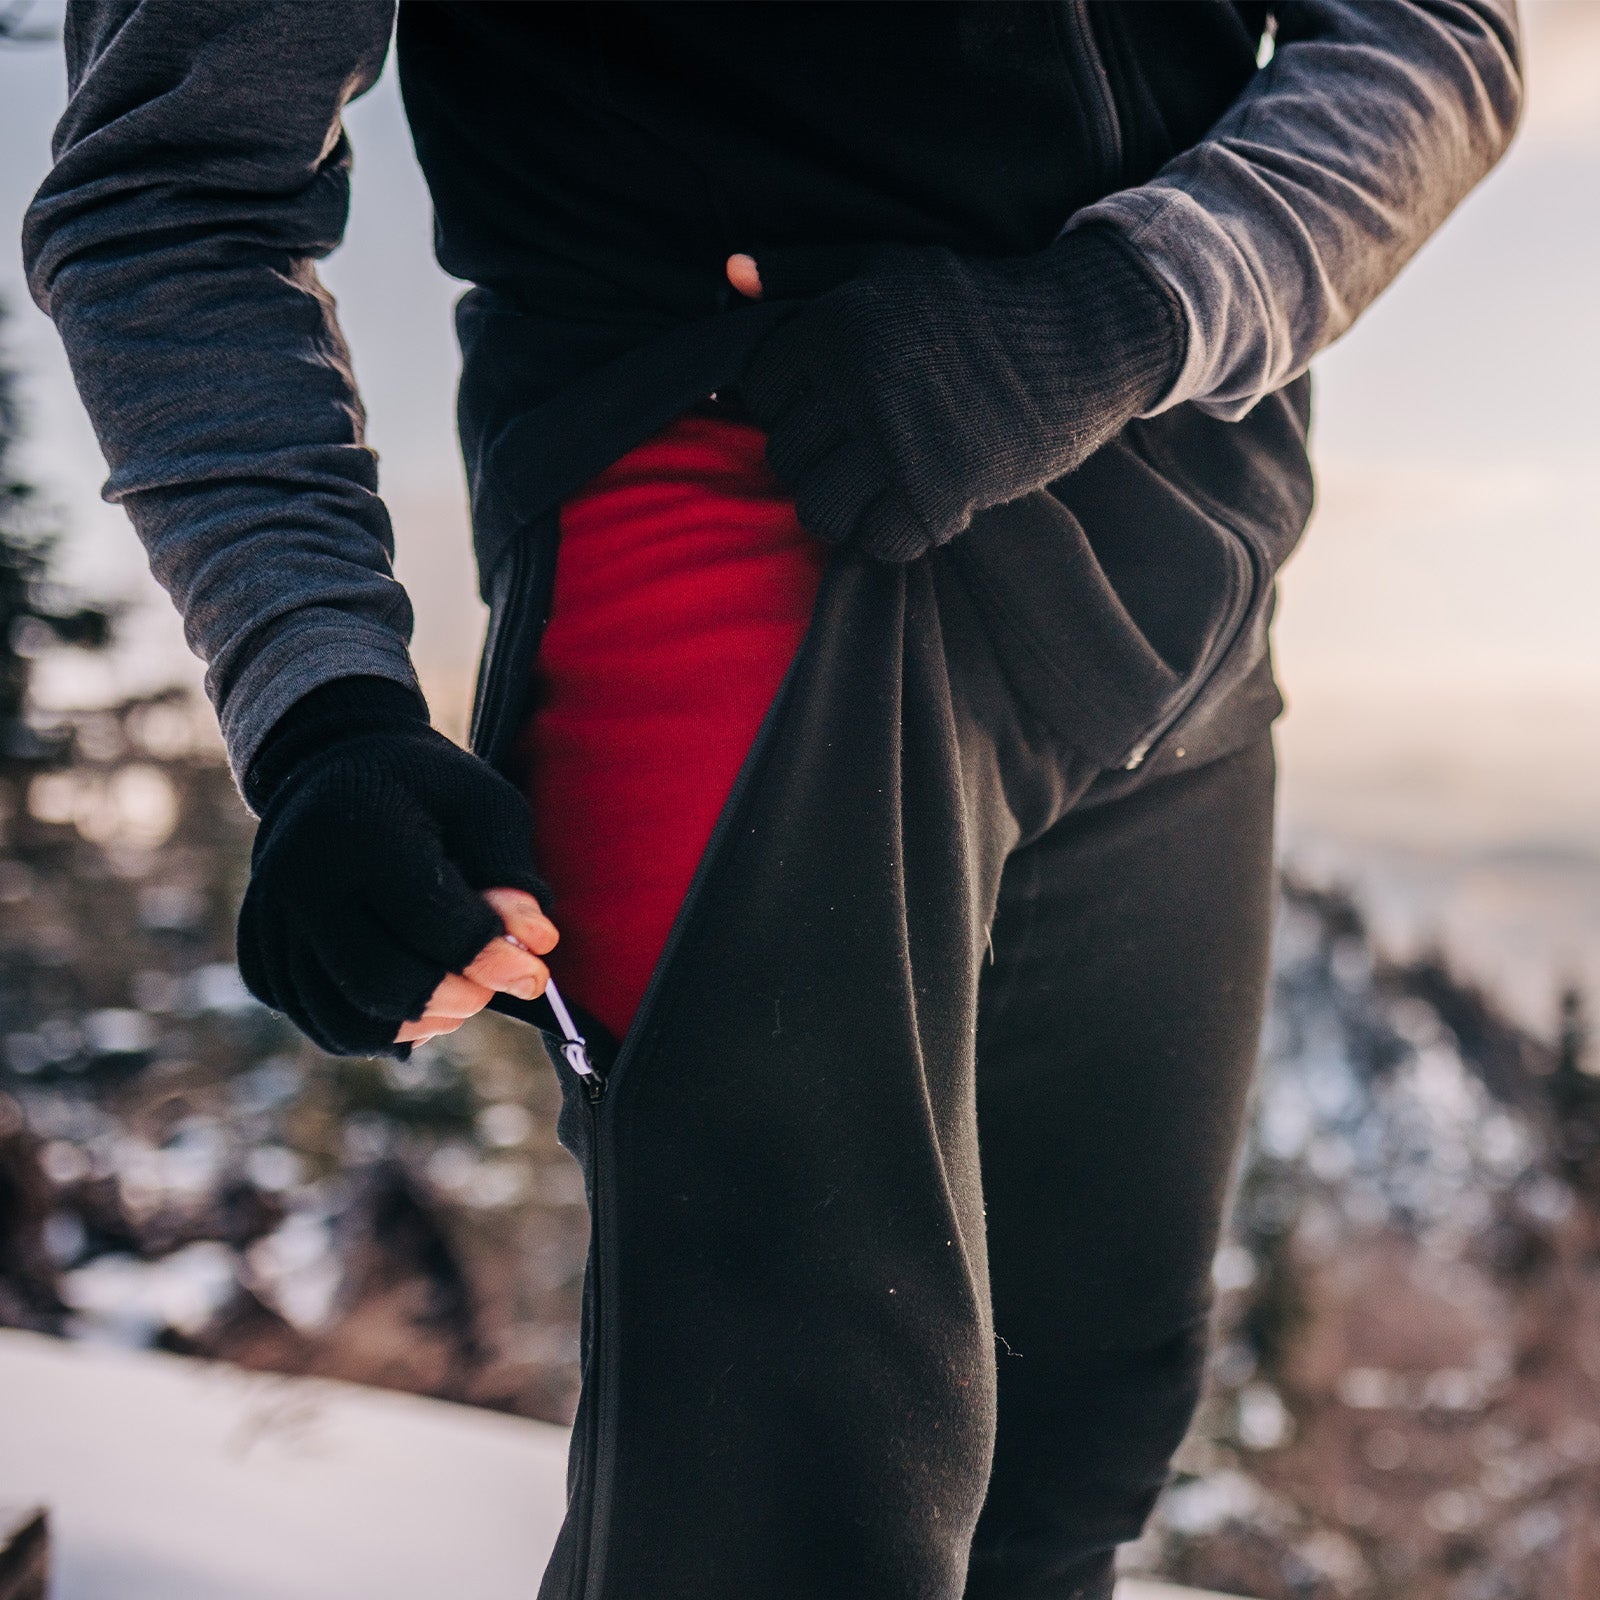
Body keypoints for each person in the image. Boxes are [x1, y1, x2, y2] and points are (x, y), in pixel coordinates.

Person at [25, 4, 1521, 1596]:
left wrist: (1127, 309)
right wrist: (318, 699)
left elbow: (1437, 35)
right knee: (781, 1514)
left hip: (1178, 564)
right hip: (738, 521)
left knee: (1071, 1454)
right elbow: (174, 180)